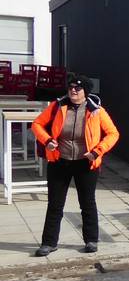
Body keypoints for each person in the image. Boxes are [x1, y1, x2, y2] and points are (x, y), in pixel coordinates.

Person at [31, 75, 120, 256]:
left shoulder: (96, 110)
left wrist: (97, 151)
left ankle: (91, 240)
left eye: (77, 88)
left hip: (86, 162)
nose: (73, 90)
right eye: (71, 87)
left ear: (85, 91)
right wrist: (47, 141)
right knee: (55, 204)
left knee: (87, 203)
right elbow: (37, 124)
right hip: (59, 161)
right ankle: (48, 243)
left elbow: (113, 133)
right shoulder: (57, 106)